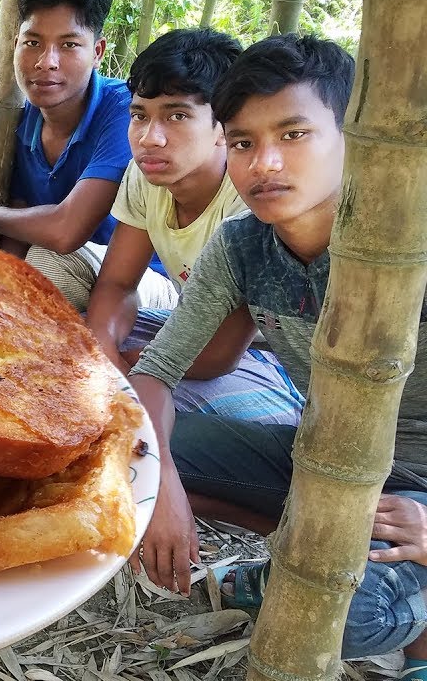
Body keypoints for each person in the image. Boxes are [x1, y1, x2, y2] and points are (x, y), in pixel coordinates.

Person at [128, 34, 427, 669]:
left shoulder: (409, 249)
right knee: (128, 458)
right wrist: (164, 491)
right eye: (243, 142)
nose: (265, 163)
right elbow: (154, 376)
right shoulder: (243, 246)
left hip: (417, 489)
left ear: (352, 135)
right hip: (320, 460)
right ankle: (292, 557)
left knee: (359, 612)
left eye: (293, 135)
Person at [86, 28, 302, 426]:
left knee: (140, 427)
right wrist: (104, 355)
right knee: (72, 329)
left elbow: (220, 352)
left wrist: (126, 370)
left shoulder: (252, 203)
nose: (150, 138)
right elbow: (117, 283)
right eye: (139, 116)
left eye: (177, 116)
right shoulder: (144, 176)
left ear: (225, 128)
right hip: (179, 325)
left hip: (249, 357)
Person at [0, 0, 173, 312]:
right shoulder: (19, 124)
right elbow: (19, 230)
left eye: (68, 45)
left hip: (145, 279)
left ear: (97, 52)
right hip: (74, 270)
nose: (46, 62)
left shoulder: (124, 112)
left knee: (48, 264)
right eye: (33, 43)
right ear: (16, 44)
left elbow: (67, 231)